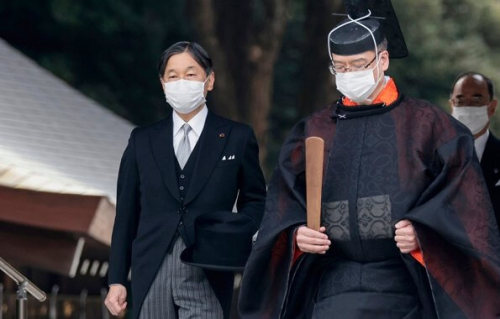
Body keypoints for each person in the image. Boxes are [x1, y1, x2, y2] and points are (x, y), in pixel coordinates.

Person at [239, 1, 500, 318]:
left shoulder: (432, 127)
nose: (349, 74)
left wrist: (426, 233)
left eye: (359, 65)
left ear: (383, 59)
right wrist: (295, 235)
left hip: (406, 284)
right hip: (331, 286)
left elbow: (467, 210)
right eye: (341, 67)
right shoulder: (312, 130)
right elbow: (281, 207)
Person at [104, 41, 266, 319]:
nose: (182, 82)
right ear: (163, 83)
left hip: (208, 268)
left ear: (210, 80)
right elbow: (126, 215)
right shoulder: (142, 140)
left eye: (190, 74)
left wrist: (236, 233)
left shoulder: (237, 137)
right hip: (151, 266)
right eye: (173, 75)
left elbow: (256, 198)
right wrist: (116, 278)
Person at [449, 72, 500, 229]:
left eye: (476, 100)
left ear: (491, 107)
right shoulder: (431, 158)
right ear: (452, 105)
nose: (468, 106)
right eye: (461, 100)